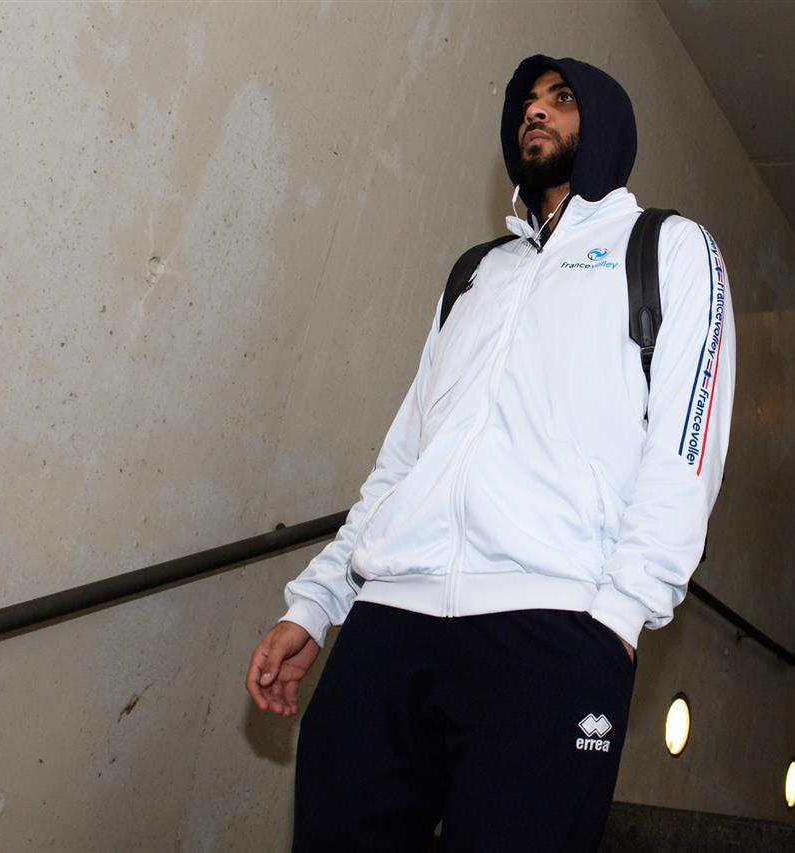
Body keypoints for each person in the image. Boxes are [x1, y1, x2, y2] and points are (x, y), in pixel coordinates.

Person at [246, 54, 736, 852]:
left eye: (560, 98)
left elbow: (687, 447)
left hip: (551, 631)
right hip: (388, 625)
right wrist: (319, 600)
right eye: (527, 103)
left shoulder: (668, 247)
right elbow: (405, 457)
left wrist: (616, 621)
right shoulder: (476, 273)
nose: (534, 112)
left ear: (605, 120)